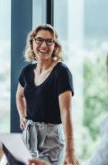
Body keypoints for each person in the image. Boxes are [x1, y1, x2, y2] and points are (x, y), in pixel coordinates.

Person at [16, 24, 79, 165]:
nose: (44, 45)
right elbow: (19, 95)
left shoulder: (61, 73)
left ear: (55, 46)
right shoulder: (27, 71)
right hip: (29, 135)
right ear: (32, 43)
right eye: (39, 40)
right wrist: (22, 115)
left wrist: (70, 150)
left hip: (51, 138)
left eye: (49, 41)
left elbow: (66, 113)